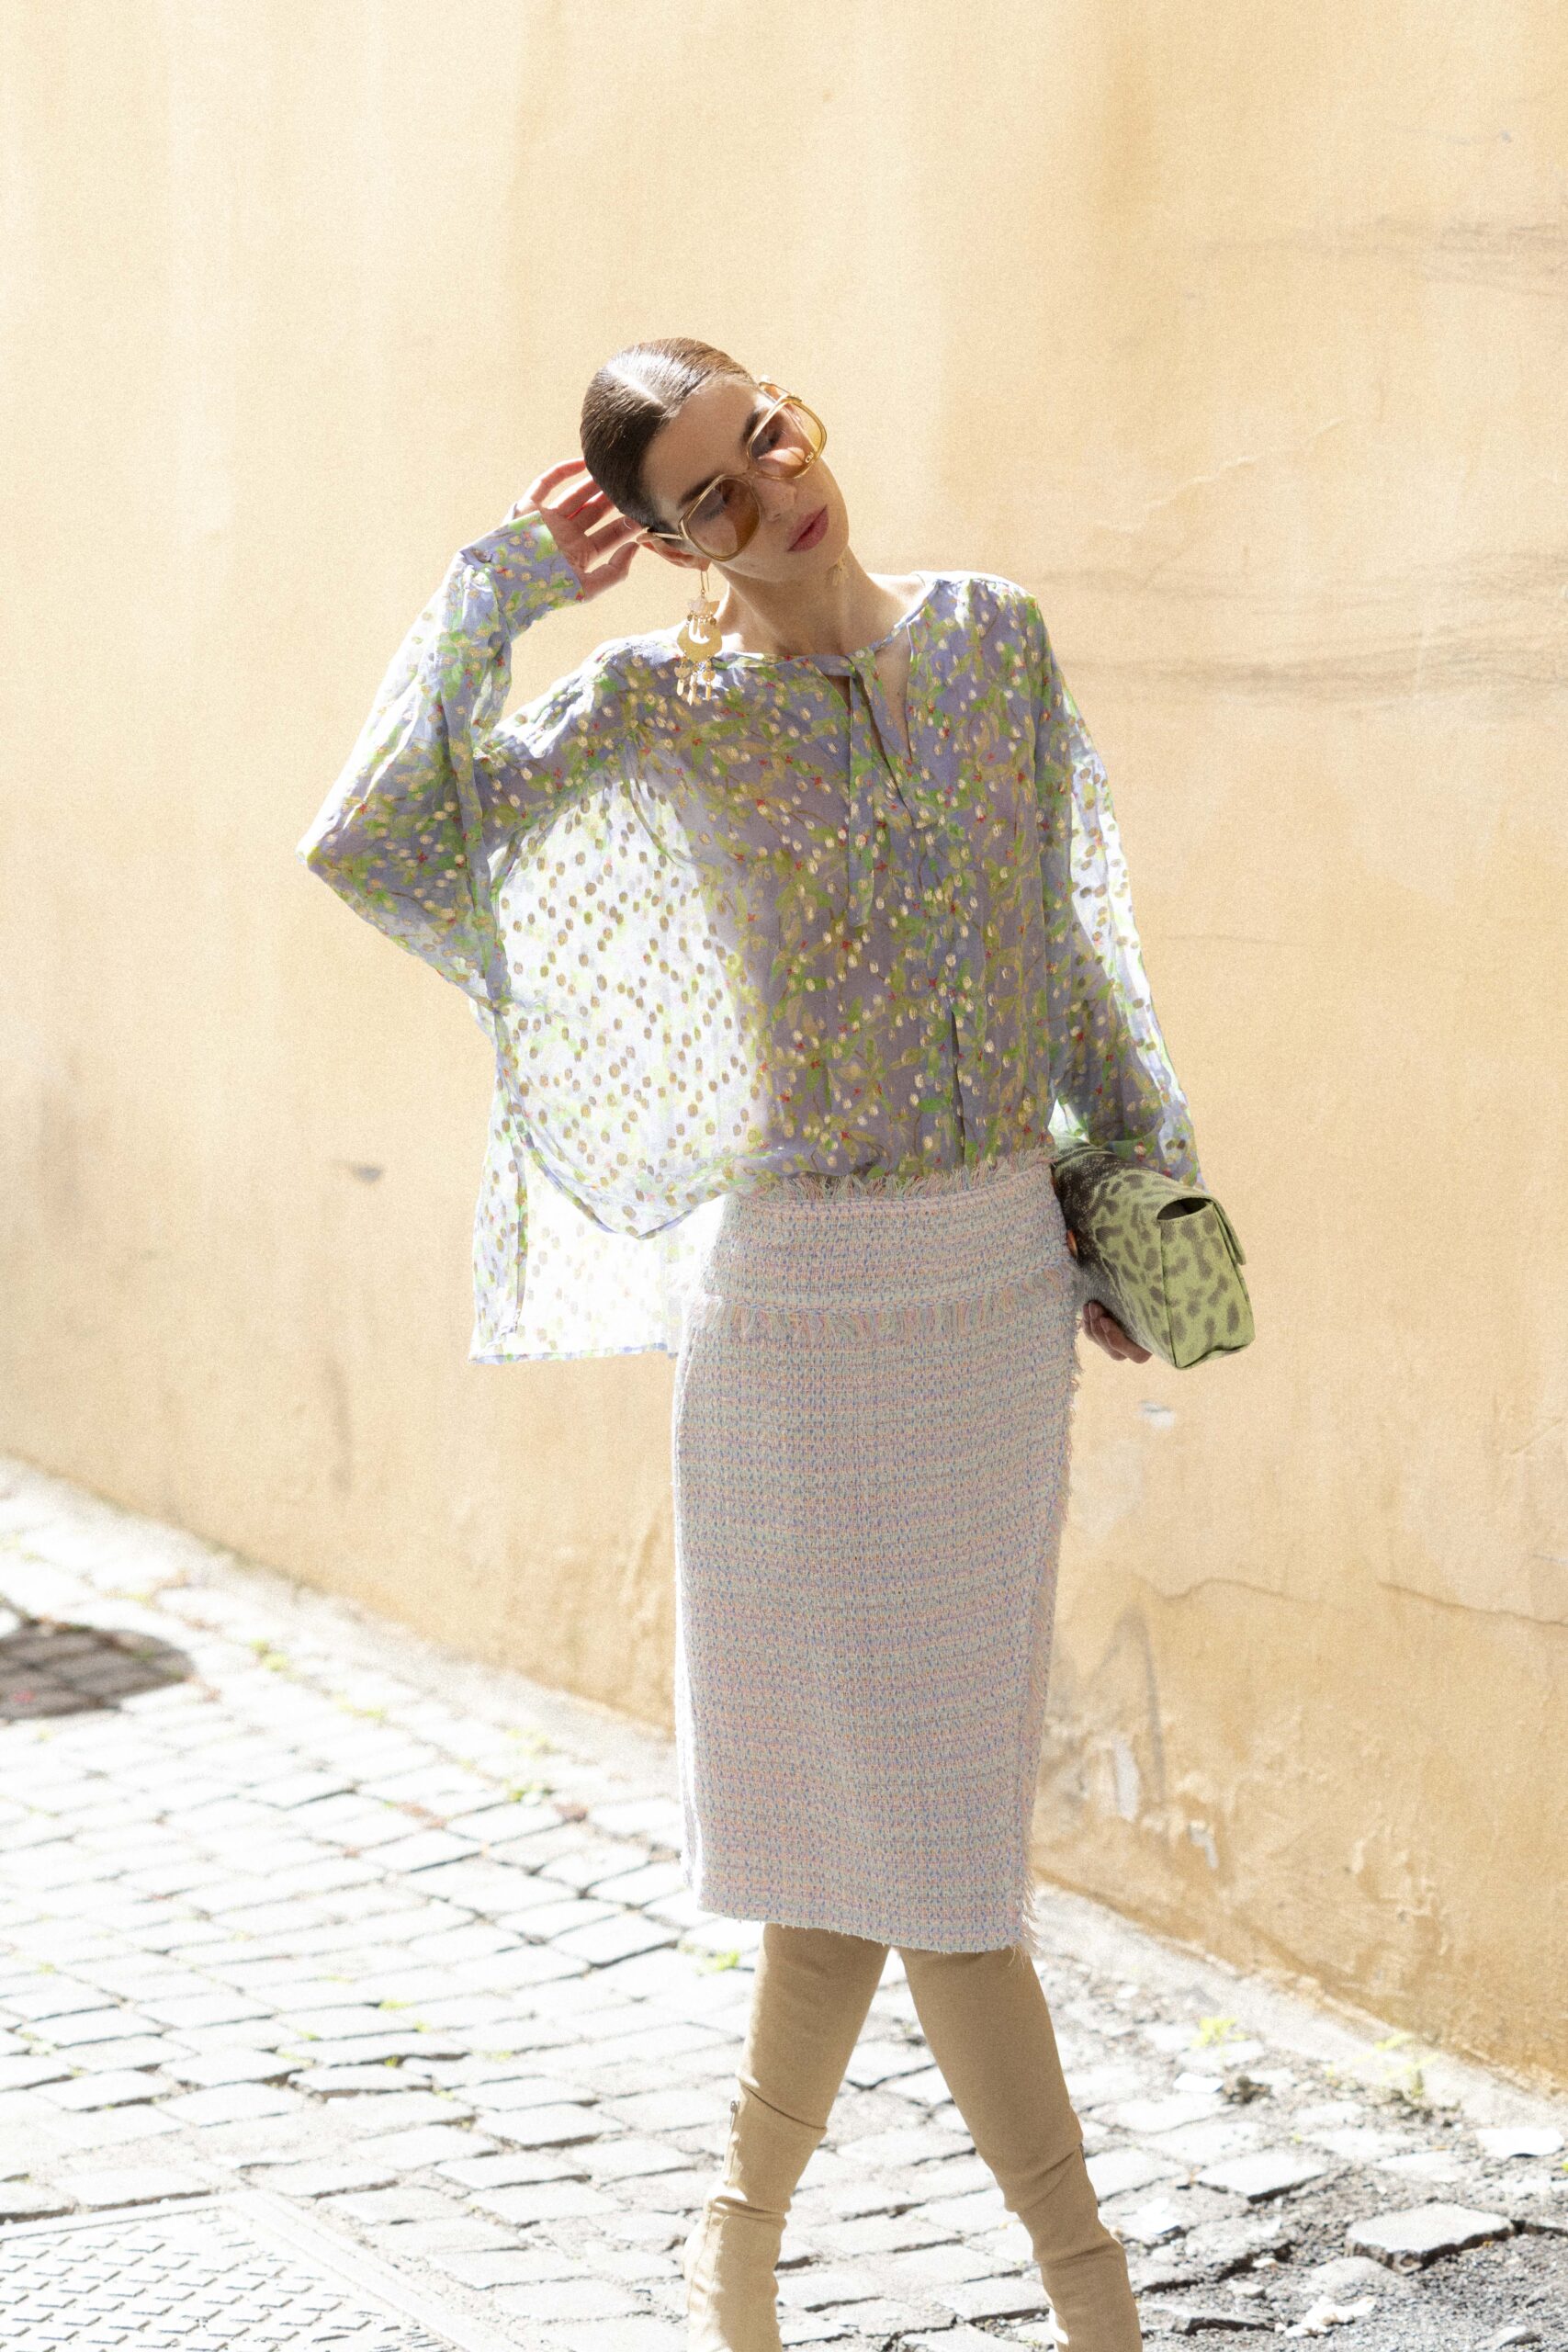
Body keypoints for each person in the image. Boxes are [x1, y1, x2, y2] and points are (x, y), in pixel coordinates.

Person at [299, 337, 1206, 2352]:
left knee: (884, 1840)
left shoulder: (991, 641)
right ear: (670, 542)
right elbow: (383, 845)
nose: (769, 494)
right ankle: (1096, 2306)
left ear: (803, 413)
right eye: (708, 494)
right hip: (796, 1319)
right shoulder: (660, 707)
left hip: (988, 1305)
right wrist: (493, 596)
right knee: (931, 1856)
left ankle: (732, 2245)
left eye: (767, 438)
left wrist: (1142, 1195)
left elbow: (1080, 949)